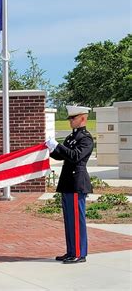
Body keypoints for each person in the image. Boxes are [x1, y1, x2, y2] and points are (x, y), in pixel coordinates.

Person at [46, 105, 93, 264]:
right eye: (70, 118)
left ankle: (79, 253)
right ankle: (71, 251)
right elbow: (62, 156)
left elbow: (75, 156)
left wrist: (58, 146)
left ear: (82, 118)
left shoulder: (86, 138)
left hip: (76, 182)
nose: (70, 121)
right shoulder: (71, 137)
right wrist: (52, 150)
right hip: (67, 182)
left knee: (77, 221)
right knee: (69, 220)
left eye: (73, 118)